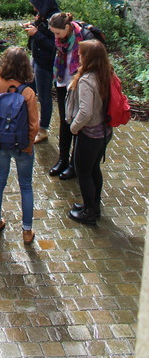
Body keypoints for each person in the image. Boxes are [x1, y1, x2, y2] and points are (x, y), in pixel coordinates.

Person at [0, 46, 38, 244]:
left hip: (0, 143)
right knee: (26, 186)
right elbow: (34, 125)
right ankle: (27, 231)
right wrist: (28, 144)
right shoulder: (28, 92)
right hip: (22, 145)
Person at [64, 39, 113, 226]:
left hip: (90, 134)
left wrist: (73, 128)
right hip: (104, 131)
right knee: (94, 169)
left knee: (83, 172)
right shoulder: (106, 74)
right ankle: (93, 205)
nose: (78, 55)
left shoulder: (87, 80)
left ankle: (89, 213)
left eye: (81, 53)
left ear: (88, 57)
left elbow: (85, 112)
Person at [48, 12, 87, 180]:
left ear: (67, 27)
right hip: (63, 81)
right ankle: (62, 159)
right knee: (65, 121)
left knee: (77, 124)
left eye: (57, 33)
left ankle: (74, 163)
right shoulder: (61, 39)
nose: (55, 37)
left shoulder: (84, 37)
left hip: (78, 85)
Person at [23, 0, 59, 143]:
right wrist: (33, 25)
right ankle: (29, 121)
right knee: (29, 89)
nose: (33, 7)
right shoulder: (43, 15)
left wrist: (36, 34)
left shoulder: (56, 19)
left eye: (35, 4)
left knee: (44, 96)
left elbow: (54, 46)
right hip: (36, 58)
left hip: (45, 63)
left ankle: (43, 128)